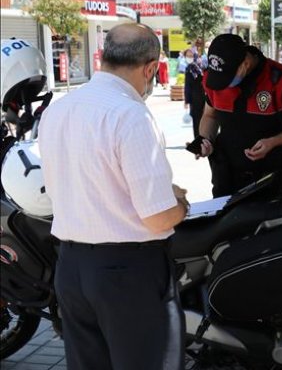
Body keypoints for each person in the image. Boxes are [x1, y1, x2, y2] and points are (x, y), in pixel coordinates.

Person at [38, 23, 188, 370]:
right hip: (128, 273)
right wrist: (180, 203)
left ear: (103, 58)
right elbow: (157, 217)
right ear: (151, 68)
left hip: (72, 268)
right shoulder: (130, 114)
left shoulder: (59, 109)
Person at [194, 34, 282, 197]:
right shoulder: (214, 77)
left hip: (271, 177)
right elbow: (210, 115)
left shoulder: (281, 79)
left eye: (228, 78)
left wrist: (273, 142)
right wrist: (205, 140)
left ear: (246, 64)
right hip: (226, 175)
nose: (224, 85)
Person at [182, 49, 205, 139]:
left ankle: (198, 140)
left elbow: (188, 86)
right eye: (187, 56)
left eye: (191, 55)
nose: (189, 58)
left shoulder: (190, 68)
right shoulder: (202, 65)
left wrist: (187, 100)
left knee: (197, 120)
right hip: (202, 97)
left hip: (196, 98)